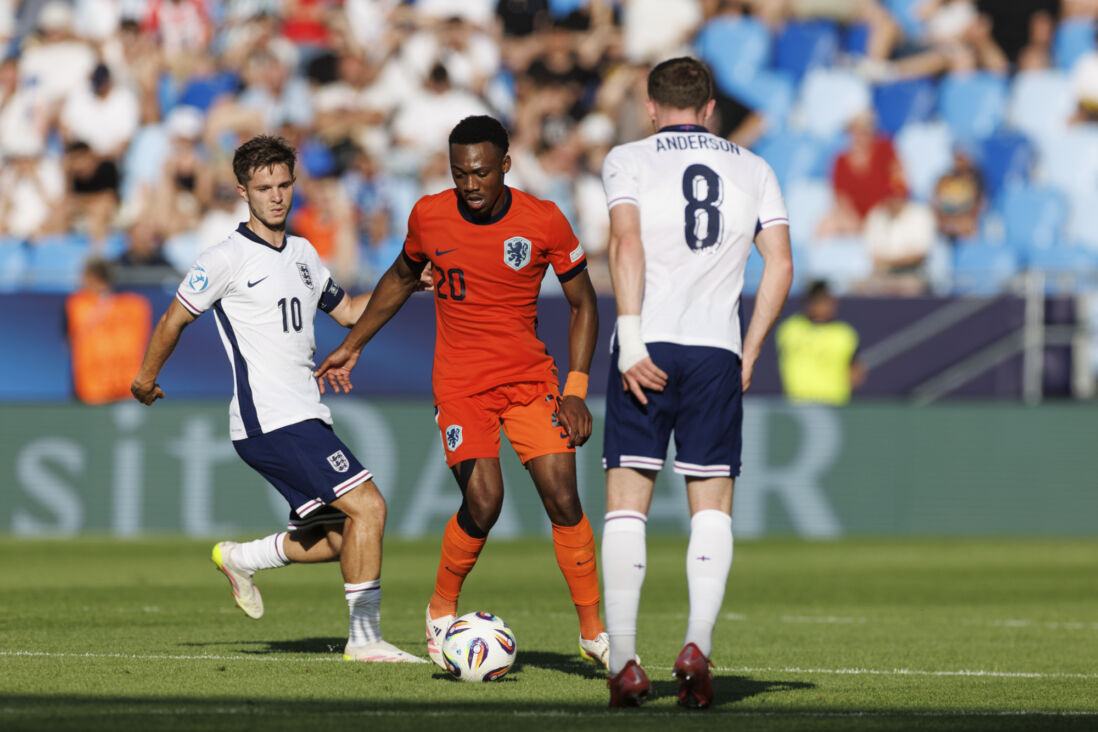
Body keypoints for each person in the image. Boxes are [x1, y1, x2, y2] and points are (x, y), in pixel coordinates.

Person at [313, 115, 611, 669]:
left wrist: (575, 387)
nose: (469, 185)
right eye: (458, 174)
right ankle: (441, 608)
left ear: (505, 164)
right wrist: (354, 343)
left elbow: (584, 303)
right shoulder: (429, 215)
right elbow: (401, 278)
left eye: (479, 173)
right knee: (485, 501)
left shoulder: (543, 220)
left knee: (564, 498)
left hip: (529, 381)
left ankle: (594, 634)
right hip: (460, 387)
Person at [130, 135, 423, 664]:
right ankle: (365, 639)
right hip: (269, 418)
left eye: (284, 184)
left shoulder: (306, 253)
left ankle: (241, 557)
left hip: (306, 413)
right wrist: (145, 379)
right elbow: (175, 317)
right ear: (243, 191)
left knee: (343, 536)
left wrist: (406, 282)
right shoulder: (225, 257)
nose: (276, 196)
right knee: (370, 506)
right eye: (264, 187)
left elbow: (353, 311)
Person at [598, 57, 793, 709]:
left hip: (645, 343)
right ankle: (697, 645)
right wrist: (752, 347)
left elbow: (625, 246)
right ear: (711, 107)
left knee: (627, 504)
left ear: (652, 107)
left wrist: (628, 336)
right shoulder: (754, 166)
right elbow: (781, 264)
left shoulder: (628, 158)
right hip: (714, 350)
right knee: (711, 508)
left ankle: (624, 660)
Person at [66, 258, 152, 404]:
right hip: (125, 388)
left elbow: (67, 341)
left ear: (92, 277)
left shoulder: (77, 306)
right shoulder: (137, 305)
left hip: (94, 389)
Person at [776, 280, 865, 405]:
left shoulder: (845, 334)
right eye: (818, 301)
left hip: (836, 402)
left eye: (826, 301)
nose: (823, 306)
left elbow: (855, 372)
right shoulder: (790, 329)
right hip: (798, 402)